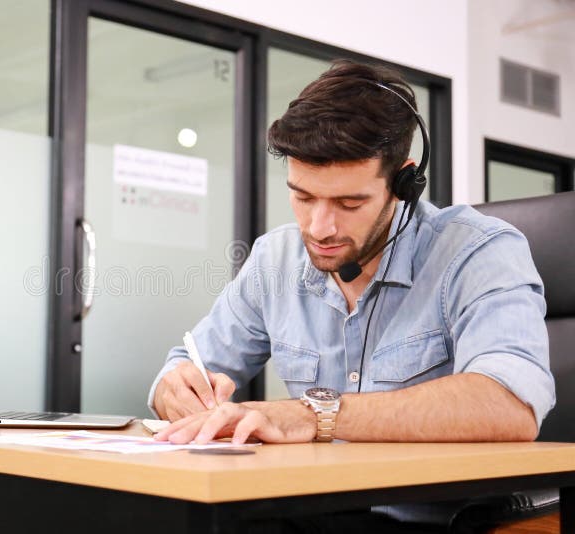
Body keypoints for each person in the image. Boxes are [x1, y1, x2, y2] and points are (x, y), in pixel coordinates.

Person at [146, 60, 556, 531]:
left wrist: (314, 415)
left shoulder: (478, 252)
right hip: (308, 509)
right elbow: (187, 364)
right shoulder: (273, 260)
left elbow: (510, 404)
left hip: (433, 521)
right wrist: (175, 389)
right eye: (303, 197)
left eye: (349, 203)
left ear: (404, 183)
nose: (319, 228)